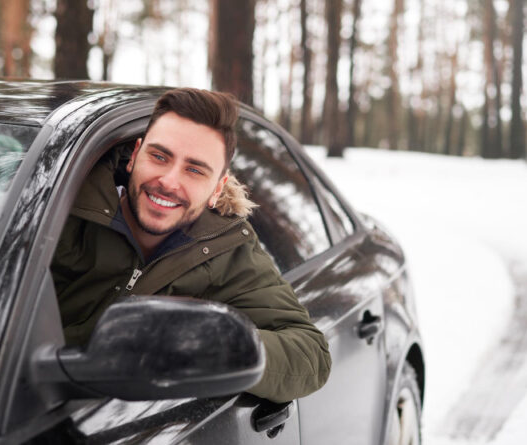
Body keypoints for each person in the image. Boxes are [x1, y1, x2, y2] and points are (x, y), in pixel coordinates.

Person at [50, 87, 331, 403]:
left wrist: (205, 342)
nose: (169, 181)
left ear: (217, 188)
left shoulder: (229, 253)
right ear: (135, 156)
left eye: (194, 170)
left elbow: (310, 356)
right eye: (159, 156)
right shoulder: (57, 208)